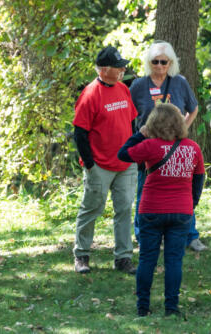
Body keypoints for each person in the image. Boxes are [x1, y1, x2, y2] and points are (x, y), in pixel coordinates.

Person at [118, 103, 205, 317]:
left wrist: (140, 134)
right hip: (181, 211)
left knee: (147, 258)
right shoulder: (193, 148)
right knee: (174, 260)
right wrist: (191, 203)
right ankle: (171, 307)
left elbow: (123, 154)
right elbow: (199, 179)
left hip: (151, 210)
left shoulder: (150, 146)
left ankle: (143, 307)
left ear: (153, 124)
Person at [129, 40, 207, 252]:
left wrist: (184, 128)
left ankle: (190, 235)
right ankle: (142, 233)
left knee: (183, 193)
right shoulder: (138, 86)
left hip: (176, 149)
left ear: (170, 62)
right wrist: (135, 138)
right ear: (149, 62)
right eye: (155, 62)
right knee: (144, 189)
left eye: (164, 62)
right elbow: (129, 115)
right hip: (150, 149)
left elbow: (194, 108)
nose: (160, 66)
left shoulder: (179, 83)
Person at [72, 45, 138, 275]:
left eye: (122, 66)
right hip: (99, 165)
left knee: (124, 210)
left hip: (125, 164)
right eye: (118, 66)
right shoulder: (90, 94)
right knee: (91, 209)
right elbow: (79, 133)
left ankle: (123, 258)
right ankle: (81, 255)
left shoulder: (123, 89)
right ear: (103, 69)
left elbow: (131, 123)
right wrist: (90, 164)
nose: (123, 69)